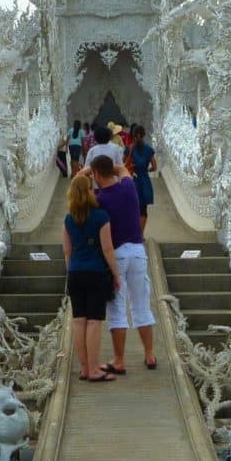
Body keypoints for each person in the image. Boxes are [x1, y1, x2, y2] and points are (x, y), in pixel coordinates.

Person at [88, 135, 157, 372]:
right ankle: (149, 355)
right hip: (138, 251)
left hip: (116, 255)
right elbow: (123, 171)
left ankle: (119, 360)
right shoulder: (128, 187)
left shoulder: (97, 199)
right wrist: (110, 165)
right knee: (142, 305)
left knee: (117, 308)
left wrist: (86, 171)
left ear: (96, 174)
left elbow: (78, 189)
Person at [62, 172, 121, 382]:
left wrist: (72, 271)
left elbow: (67, 251)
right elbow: (107, 249)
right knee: (94, 322)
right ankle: (95, 369)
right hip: (96, 273)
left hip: (76, 273)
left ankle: (85, 368)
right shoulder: (101, 216)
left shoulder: (69, 219)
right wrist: (116, 274)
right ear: (88, 192)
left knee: (79, 321)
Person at [130, 125, 157, 235]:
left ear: (133, 135)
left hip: (133, 180)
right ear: (144, 135)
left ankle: (134, 234)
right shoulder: (149, 150)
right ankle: (141, 235)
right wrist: (147, 170)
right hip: (144, 181)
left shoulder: (129, 149)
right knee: (143, 210)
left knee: (132, 208)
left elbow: (123, 165)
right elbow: (155, 167)